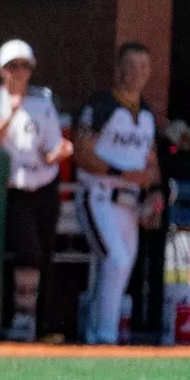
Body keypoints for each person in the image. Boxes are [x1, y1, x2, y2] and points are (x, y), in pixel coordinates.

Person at [0, 39, 71, 342]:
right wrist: (11, 112)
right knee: (27, 250)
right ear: (0, 70)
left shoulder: (42, 103)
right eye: (12, 66)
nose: (19, 72)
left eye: (24, 66)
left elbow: (52, 146)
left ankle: (41, 326)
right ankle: (20, 317)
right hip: (8, 188)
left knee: (44, 253)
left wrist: (59, 152)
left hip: (42, 184)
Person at [73, 42, 160, 346]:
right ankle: (105, 339)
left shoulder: (147, 113)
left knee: (120, 268)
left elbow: (150, 162)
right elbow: (81, 154)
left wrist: (155, 193)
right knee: (116, 260)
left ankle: (96, 334)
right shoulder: (100, 105)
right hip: (98, 194)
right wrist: (120, 173)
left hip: (129, 203)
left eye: (143, 67)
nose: (137, 73)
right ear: (118, 69)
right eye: (131, 65)